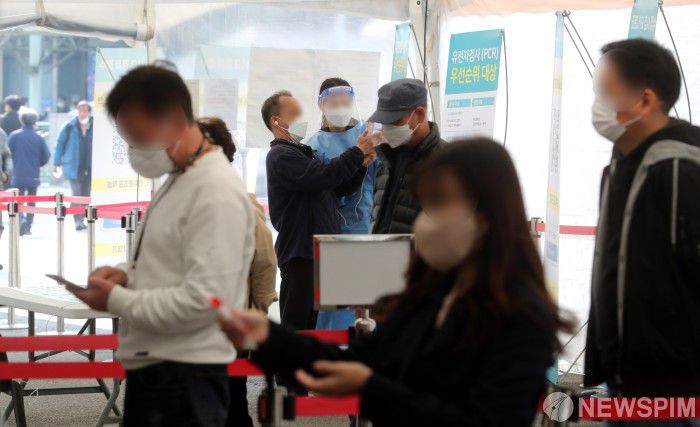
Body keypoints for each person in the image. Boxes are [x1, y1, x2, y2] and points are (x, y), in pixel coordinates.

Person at [220, 138, 572, 426]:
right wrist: (268, 336)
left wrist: (371, 389)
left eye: (440, 203)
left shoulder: (520, 314)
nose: (425, 220)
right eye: (425, 204)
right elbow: (361, 358)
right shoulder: (430, 294)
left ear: (486, 210)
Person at [66, 65, 256, 427]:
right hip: (163, 370)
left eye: (138, 137)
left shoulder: (214, 190)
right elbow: (172, 260)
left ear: (174, 119)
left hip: (184, 378)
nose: (134, 150)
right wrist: (126, 274)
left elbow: (206, 300)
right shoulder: (182, 178)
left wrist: (116, 300)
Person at [585, 39, 700, 408]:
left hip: (677, 388)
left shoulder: (683, 169)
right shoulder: (616, 169)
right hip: (622, 380)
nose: (597, 105)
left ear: (645, 100)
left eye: (606, 92)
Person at [263, 90, 377, 332]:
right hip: (300, 253)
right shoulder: (281, 155)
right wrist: (356, 152)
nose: (301, 118)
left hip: (317, 251)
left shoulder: (305, 153)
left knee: (310, 326)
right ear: (276, 121)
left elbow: (337, 188)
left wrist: (361, 166)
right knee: (296, 327)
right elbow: (322, 177)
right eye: (294, 113)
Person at [199, 116, 278, 427]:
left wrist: (257, 311)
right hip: (193, 319)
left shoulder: (238, 201)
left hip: (230, 319)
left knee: (231, 400)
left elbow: (264, 261)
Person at [306, 77, 377, 330]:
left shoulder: (369, 135)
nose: (340, 109)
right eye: (334, 104)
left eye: (345, 103)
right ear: (321, 106)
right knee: (336, 312)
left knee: (366, 307)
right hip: (331, 235)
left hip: (367, 230)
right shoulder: (312, 146)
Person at [368, 79, 444, 234]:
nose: (386, 128)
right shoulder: (385, 159)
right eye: (384, 122)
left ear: (420, 114)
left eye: (394, 121)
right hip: (379, 249)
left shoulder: (446, 163)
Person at [8, 108, 50, 236]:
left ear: (21, 121)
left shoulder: (14, 136)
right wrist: (38, 164)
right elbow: (46, 155)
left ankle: (21, 219)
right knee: (31, 200)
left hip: (18, 174)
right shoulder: (39, 138)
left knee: (18, 199)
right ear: (35, 122)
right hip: (33, 175)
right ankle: (28, 225)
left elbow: (7, 153)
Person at [53, 100, 93, 231]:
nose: (83, 113)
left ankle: (82, 218)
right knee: (76, 193)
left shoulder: (94, 126)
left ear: (89, 112)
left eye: (85, 110)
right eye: (80, 110)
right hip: (73, 167)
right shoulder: (69, 126)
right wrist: (56, 162)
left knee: (85, 194)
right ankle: (78, 220)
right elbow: (59, 144)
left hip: (89, 167)